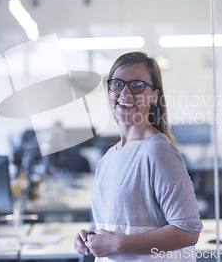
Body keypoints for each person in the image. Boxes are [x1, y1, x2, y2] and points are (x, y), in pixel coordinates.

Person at [74, 52, 203, 261]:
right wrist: (89, 238)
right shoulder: (107, 159)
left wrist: (115, 244)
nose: (125, 92)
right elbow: (113, 226)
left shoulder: (157, 151)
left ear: (154, 96)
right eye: (117, 84)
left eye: (137, 85)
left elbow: (188, 231)